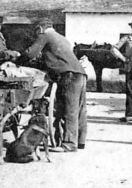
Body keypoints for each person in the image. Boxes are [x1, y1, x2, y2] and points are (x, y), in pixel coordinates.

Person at [23, 19, 87, 152]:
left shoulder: (45, 35)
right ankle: (80, 141)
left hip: (67, 75)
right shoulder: (62, 38)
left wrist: (18, 60)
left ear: (40, 29)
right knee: (79, 108)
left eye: (36, 32)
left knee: (67, 109)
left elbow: (30, 53)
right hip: (80, 73)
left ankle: (69, 144)